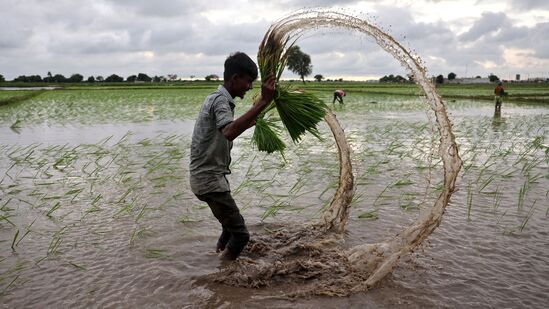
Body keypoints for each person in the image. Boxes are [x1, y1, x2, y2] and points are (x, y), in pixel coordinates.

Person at [189, 52, 275, 261]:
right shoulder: (220, 101)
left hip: (208, 179)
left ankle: (216, 256)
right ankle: (222, 275)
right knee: (241, 235)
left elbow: (226, 132)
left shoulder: (217, 98)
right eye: (248, 81)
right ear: (235, 78)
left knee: (228, 229)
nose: (249, 87)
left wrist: (254, 116)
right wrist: (262, 101)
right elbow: (229, 131)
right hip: (209, 181)